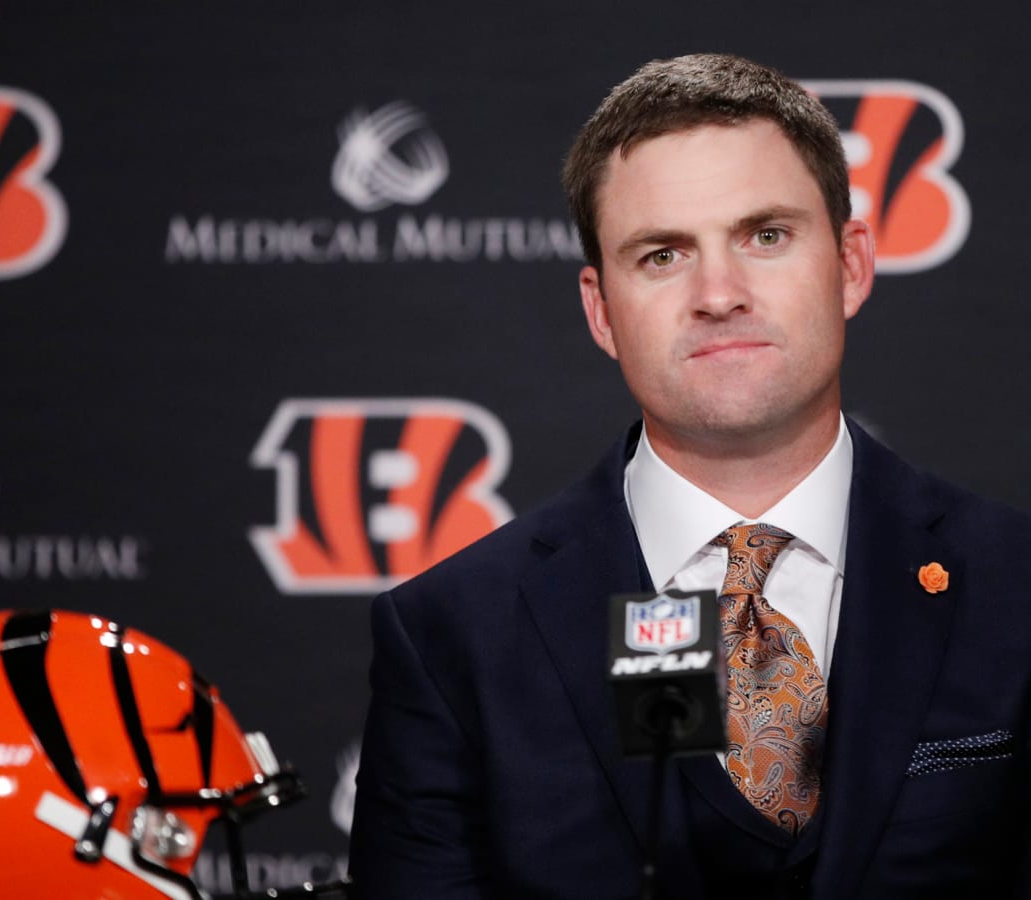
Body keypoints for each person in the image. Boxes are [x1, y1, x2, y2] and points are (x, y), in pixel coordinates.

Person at [348, 53, 1031, 899]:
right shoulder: (452, 635)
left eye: (766, 236)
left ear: (851, 265)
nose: (719, 292)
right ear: (602, 310)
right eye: (663, 254)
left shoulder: (1017, 583)